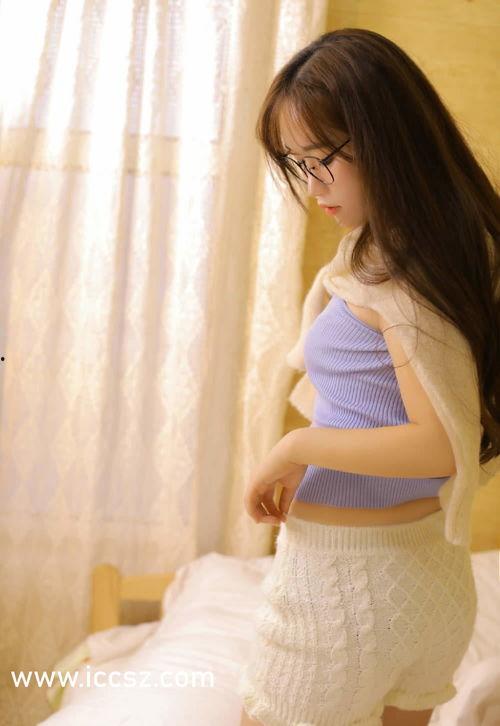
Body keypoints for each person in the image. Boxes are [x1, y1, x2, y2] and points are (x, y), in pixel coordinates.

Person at [237, 27, 500, 726]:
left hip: (346, 587)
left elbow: (437, 444)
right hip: (426, 580)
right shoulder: (441, 249)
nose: (312, 187)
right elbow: (390, 405)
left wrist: (296, 446)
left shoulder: (402, 276)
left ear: (384, 138)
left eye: (322, 160)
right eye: (298, 165)